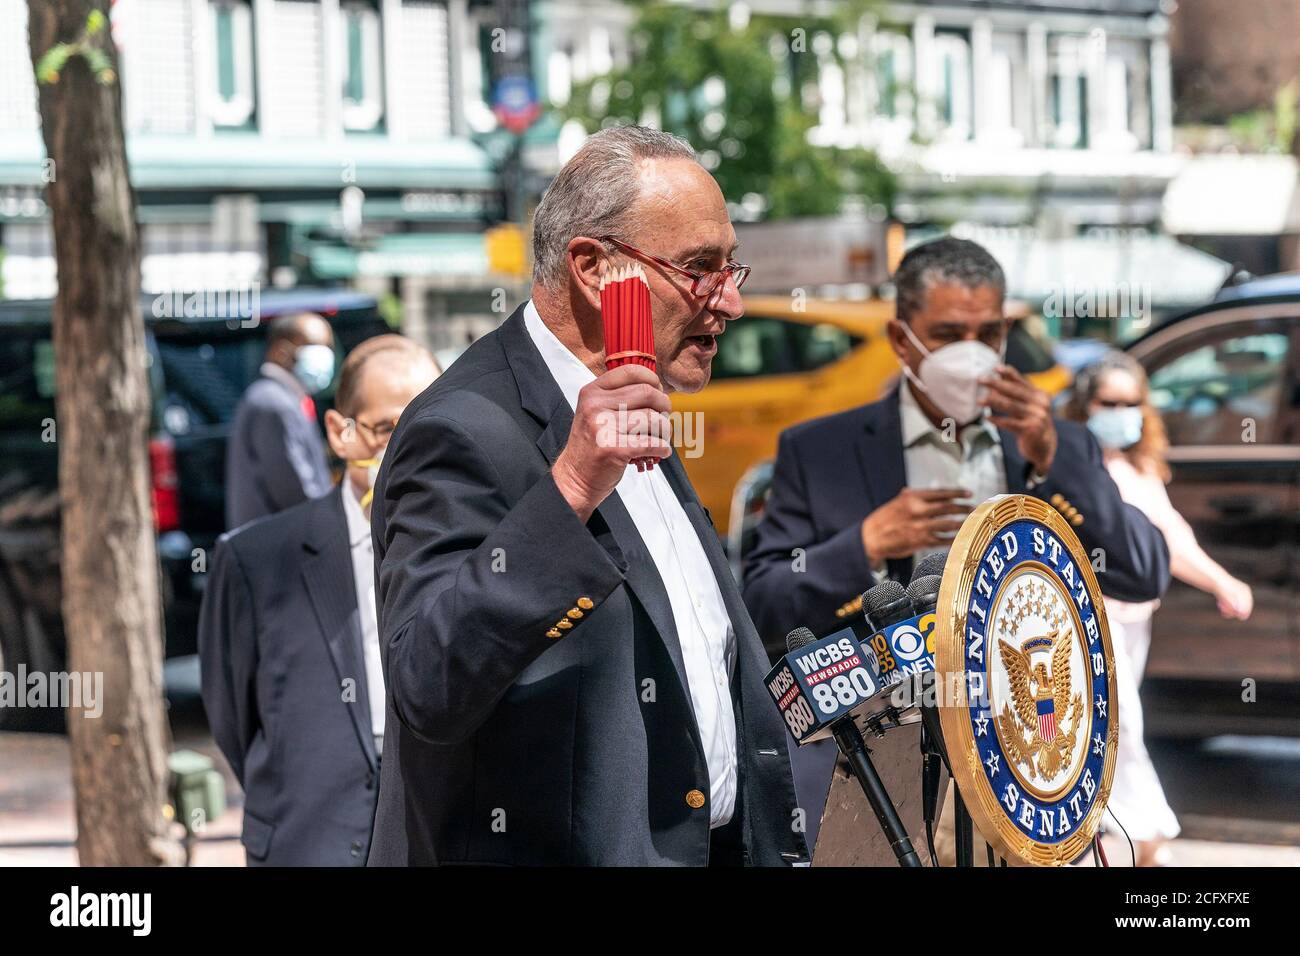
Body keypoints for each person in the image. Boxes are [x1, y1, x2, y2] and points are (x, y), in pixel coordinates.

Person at [366, 125, 808, 867]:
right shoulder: (462, 428)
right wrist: (570, 486)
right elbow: (427, 686)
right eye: (700, 267)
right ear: (595, 267)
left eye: (732, 266)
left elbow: (699, 646)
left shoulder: (635, 396)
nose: (729, 300)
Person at [742, 236, 1172, 857]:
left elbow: (1143, 573)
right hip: (893, 764)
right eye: (947, 334)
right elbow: (762, 604)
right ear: (900, 340)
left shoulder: (1048, 442)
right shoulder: (822, 450)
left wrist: (1054, 457)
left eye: (988, 332)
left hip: (1032, 760)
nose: (972, 353)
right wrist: (863, 545)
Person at [199, 335, 439, 866]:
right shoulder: (255, 559)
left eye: (426, 426)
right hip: (307, 840)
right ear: (340, 432)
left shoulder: (468, 548)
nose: (405, 449)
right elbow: (233, 715)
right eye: (385, 429)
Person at [1063, 350, 1252, 866]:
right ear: (1085, 404)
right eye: (1110, 402)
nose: (1122, 412)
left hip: (1136, 617)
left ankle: (1112, 837)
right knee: (1119, 726)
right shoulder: (1072, 467)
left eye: (1132, 402)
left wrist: (1221, 580)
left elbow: (1173, 539)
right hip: (1089, 620)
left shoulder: (1141, 465)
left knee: (1107, 729)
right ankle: (1146, 836)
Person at [225, 312, 336, 529]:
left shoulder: (284, 398)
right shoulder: (274, 403)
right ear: (281, 352)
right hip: (281, 550)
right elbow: (296, 490)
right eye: (315, 347)